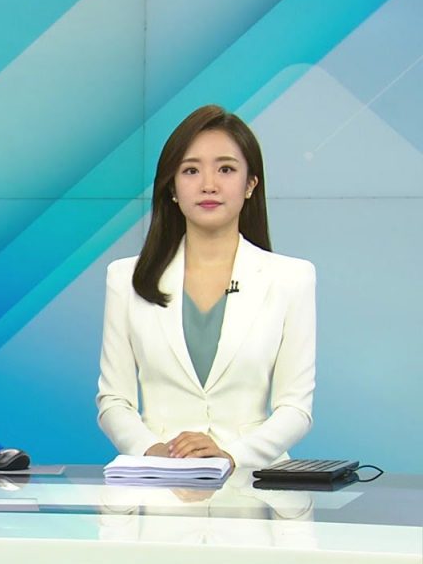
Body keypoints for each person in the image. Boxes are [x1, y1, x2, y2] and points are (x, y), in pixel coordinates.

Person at [95, 104, 315, 470]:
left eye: (226, 169)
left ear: (250, 184)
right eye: (191, 170)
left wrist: (231, 457)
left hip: (254, 484)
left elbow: (295, 408)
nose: (208, 184)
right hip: (159, 481)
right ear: (172, 187)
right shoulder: (125, 278)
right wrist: (155, 452)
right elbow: (113, 401)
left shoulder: (292, 278)